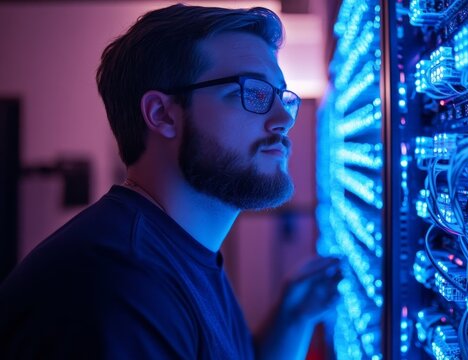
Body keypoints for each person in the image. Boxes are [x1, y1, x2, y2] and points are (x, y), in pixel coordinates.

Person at [0, 4, 341, 359]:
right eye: (253, 92)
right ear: (162, 114)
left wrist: (294, 317)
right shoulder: (117, 287)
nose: (284, 118)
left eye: (281, 97)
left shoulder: (179, 250)